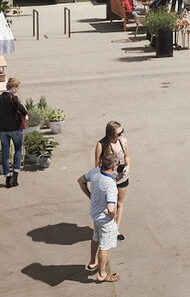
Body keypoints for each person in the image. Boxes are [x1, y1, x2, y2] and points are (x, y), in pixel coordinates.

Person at [78, 152, 120, 282]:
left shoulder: (95, 172)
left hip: (95, 214)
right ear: (113, 167)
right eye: (117, 165)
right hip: (105, 220)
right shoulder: (111, 185)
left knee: (95, 237)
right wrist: (113, 215)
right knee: (104, 246)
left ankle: (92, 262)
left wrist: (90, 196)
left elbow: (80, 181)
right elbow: (111, 208)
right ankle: (102, 274)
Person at [93, 121, 130, 239]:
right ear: (110, 134)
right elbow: (97, 165)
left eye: (122, 132)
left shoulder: (124, 141)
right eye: (119, 133)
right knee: (108, 206)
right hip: (108, 180)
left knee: (119, 203)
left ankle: (115, 229)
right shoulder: (101, 145)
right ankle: (106, 226)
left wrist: (128, 166)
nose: (121, 135)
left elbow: (127, 157)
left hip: (122, 177)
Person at [0, 76, 27, 188]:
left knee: (5, 153)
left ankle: (7, 177)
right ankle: (15, 175)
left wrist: (1, 115)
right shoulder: (14, 98)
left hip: (2, 129)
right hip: (15, 128)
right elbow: (23, 111)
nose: (17, 90)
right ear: (14, 88)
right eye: (17, 88)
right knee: (17, 150)